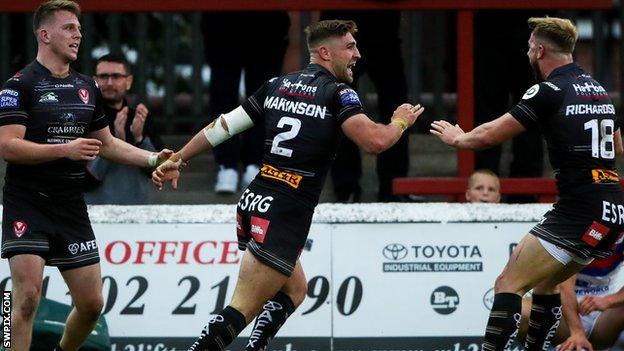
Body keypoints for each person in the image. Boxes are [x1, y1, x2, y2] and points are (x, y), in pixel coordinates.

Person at [153, 19, 423, 351]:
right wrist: (400, 120)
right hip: (285, 209)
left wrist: (179, 156)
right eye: (350, 47)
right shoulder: (338, 93)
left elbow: (223, 126)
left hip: (254, 201)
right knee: (241, 308)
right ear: (325, 52)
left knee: (295, 291)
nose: (357, 54)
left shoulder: (277, 84)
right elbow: (375, 141)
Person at [430, 16, 624, 351]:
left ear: (538, 49)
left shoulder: (548, 90)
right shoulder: (598, 90)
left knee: (508, 283)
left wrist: (459, 138)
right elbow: (618, 146)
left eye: (529, 46)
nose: (528, 51)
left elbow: (490, 134)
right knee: (547, 285)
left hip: (578, 209)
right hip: (612, 209)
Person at [0, 1, 171, 350]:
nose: (77, 34)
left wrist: (154, 159)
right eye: (68, 28)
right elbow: (8, 147)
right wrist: (64, 150)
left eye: (79, 28)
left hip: (70, 206)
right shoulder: (18, 85)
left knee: (92, 304)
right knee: (27, 298)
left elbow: (107, 144)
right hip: (27, 203)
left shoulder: (85, 86)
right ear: (44, 34)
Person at [321, 10, 409, 202]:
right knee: (339, 103)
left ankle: (394, 187)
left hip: (382, 26)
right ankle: (346, 188)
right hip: (339, 25)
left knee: (397, 104)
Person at [202, 12, 290, 194]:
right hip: (222, 15)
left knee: (265, 95)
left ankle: (256, 162)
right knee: (223, 93)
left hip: (267, 16)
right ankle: (227, 165)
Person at [84, 53, 164, 204]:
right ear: (94, 81)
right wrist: (114, 143)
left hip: (138, 211)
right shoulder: (85, 117)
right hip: (96, 213)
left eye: (116, 76)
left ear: (128, 81)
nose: (109, 82)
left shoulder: (139, 117)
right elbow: (84, 180)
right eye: (103, 76)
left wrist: (139, 139)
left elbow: (160, 171)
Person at [518, 239, 624, 351]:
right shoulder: (577, 228)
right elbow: (564, 285)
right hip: (563, 315)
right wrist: (577, 332)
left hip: (603, 318)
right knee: (520, 311)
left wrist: (609, 301)